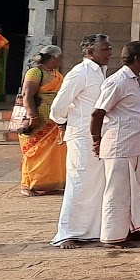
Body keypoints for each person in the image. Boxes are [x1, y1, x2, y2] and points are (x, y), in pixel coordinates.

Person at [88, 40, 140, 248]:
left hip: (135, 145)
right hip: (120, 145)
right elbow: (98, 113)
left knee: (135, 190)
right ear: (137, 59)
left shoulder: (134, 80)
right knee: (117, 192)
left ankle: (130, 229)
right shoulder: (117, 81)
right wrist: (96, 140)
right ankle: (112, 235)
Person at [49, 33, 112, 248]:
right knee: (78, 182)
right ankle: (67, 232)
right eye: (105, 49)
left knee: (96, 184)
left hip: (98, 135)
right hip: (81, 135)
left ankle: (92, 230)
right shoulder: (80, 72)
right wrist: (63, 122)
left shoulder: (101, 73)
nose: (109, 53)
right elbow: (58, 106)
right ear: (90, 51)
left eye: (109, 48)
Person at [17, 46, 66, 196]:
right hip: (39, 118)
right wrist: (33, 116)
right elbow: (27, 95)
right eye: (59, 58)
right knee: (34, 151)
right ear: (52, 58)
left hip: (54, 119)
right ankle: (27, 185)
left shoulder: (57, 75)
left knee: (54, 152)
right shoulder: (35, 72)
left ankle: (49, 183)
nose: (60, 60)